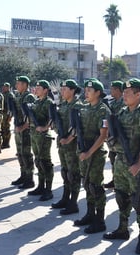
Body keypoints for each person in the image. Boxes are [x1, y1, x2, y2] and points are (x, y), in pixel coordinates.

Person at [103, 78, 140, 255]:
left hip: (136, 163)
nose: (124, 95)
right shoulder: (122, 112)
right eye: (123, 92)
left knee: (139, 201)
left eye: (128, 93)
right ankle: (122, 229)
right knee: (121, 196)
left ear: (138, 94)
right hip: (120, 161)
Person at [73, 79, 110, 234]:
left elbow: (103, 136)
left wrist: (89, 152)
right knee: (87, 184)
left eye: (89, 90)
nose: (86, 93)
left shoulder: (103, 110)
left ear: (98, 93)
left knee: (96, 186)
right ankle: (89, 214)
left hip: (95, 154)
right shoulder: (84, 108)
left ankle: (100, 220)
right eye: (85, 90)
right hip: (83, 152)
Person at [51, 79, 82, 214]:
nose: (62, 91)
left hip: (73, 145)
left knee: (73, 174)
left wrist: (69, 138)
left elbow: (78, 126)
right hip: (62, 144)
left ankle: (73, 202)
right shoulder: (63, 104)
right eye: (61, 89)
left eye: (65, 89)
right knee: (65, 172)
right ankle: (65, 197)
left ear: (73, 90)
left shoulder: (78, 105)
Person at [26, 80, 55, 201]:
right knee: (38, 161)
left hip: (43, 137)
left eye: (39, 88)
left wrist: (45, 127)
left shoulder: (49, 102)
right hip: (34, 135)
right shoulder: (36, 101)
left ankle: (48, 190)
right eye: (36, 87)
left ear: (45, 90)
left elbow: (52, 118)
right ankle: (40, 186)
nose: (36, 89)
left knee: (45, 163)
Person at [11, 76, 36, 189]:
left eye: (19, 83)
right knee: (20, 154)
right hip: (19, 129)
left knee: (26, 155)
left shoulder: (29, 97)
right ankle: (23, 175)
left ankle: (29, 179)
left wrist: (22, 127)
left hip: (26, 131)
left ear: (25, 85)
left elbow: (30, 116)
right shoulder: (19, 96)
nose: (16, 86)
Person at [104, 80, 125, 189]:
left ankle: (120, 182)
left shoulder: (123, 103)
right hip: (112, 136)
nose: (111, 91)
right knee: (113, 158)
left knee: (119, 160)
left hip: (119, 136)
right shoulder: (113, 102)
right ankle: (115, 179)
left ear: (117, 90)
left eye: (112, 89)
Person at [1, 82, 15, 149]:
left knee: (6, 128)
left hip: (7, 114)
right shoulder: (3, 94)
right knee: (3, 128)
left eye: (5, 87)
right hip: (3, 114)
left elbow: (11, 107)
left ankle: (6, 143)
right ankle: (4, 142)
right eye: (3, 86)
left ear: (8, 87)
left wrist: (10, 116)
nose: (3, 88)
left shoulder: (10, 95)